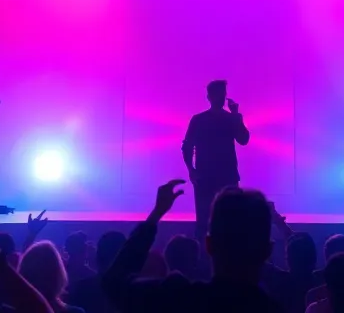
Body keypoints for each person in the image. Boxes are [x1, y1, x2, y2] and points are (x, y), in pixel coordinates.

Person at [102, 180, 283, 312]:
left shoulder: (177, 300)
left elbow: (114, 282)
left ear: (208, 245)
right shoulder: (276, 308)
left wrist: (156, 215)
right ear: (267, 251)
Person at [182, 80, 250, 239]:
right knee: (206, 223)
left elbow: (243, 139)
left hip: (225, 177)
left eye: (223, 94)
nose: (221, 98)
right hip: (207, 178)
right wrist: (191, 171)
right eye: (219, 94)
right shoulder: (198, 120)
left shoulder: (229, 119)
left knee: (229, 222)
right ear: (210, 97)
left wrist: (236, 117)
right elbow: (187, 146)